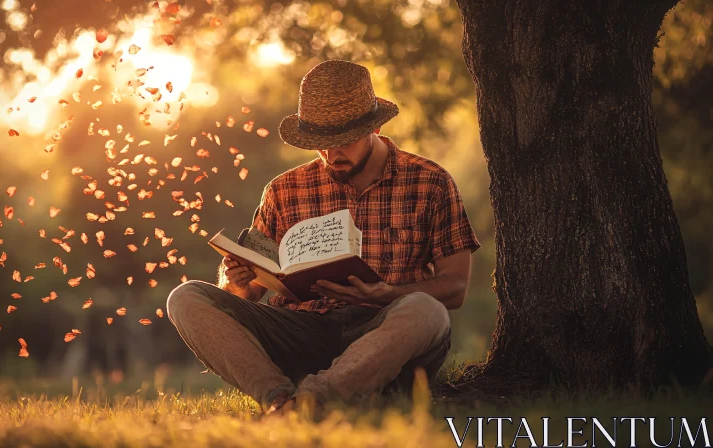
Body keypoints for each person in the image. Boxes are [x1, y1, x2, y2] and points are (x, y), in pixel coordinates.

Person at [166, 59, 481, 417]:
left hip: (381, 332)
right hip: (301, 331)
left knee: (427, 312)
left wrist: (387, 293)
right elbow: (248, 293)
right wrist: (237, 280)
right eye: (319, 144)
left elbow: (455, 288)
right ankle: (279, 400)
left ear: (373, 127)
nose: (332, 154)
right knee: (186, 297)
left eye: (343, 142)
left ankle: (312, 402)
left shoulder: (429, 182)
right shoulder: (284, 190)